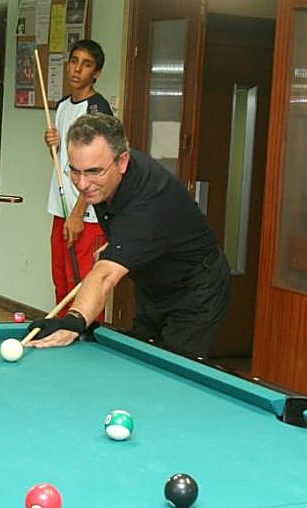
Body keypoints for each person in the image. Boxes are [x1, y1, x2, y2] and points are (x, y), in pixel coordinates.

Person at [26, 112, 230, 358]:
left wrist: (74, 321)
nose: (82, 183)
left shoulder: (150, 200)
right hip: (151, 286)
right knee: (141, 359)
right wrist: (123, 242)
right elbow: (132, 224)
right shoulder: (104, 181)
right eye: (75, 171)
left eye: (93, 172)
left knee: (170, 374)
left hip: (196, 291)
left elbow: (105, 277)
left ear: (122, 162)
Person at [42, 39, 114, 308]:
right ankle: (60, 339)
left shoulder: (98, 110)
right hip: (61, 209)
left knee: (84, 286)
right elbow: (68, 158)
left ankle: (84, 341)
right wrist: (53, 143)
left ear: (96, 73)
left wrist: (78, 212)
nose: (77, 70)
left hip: (87, 214)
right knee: (61, 283)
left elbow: (100, 169)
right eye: (74, 62)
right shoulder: (62, 106)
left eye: (86, 65)